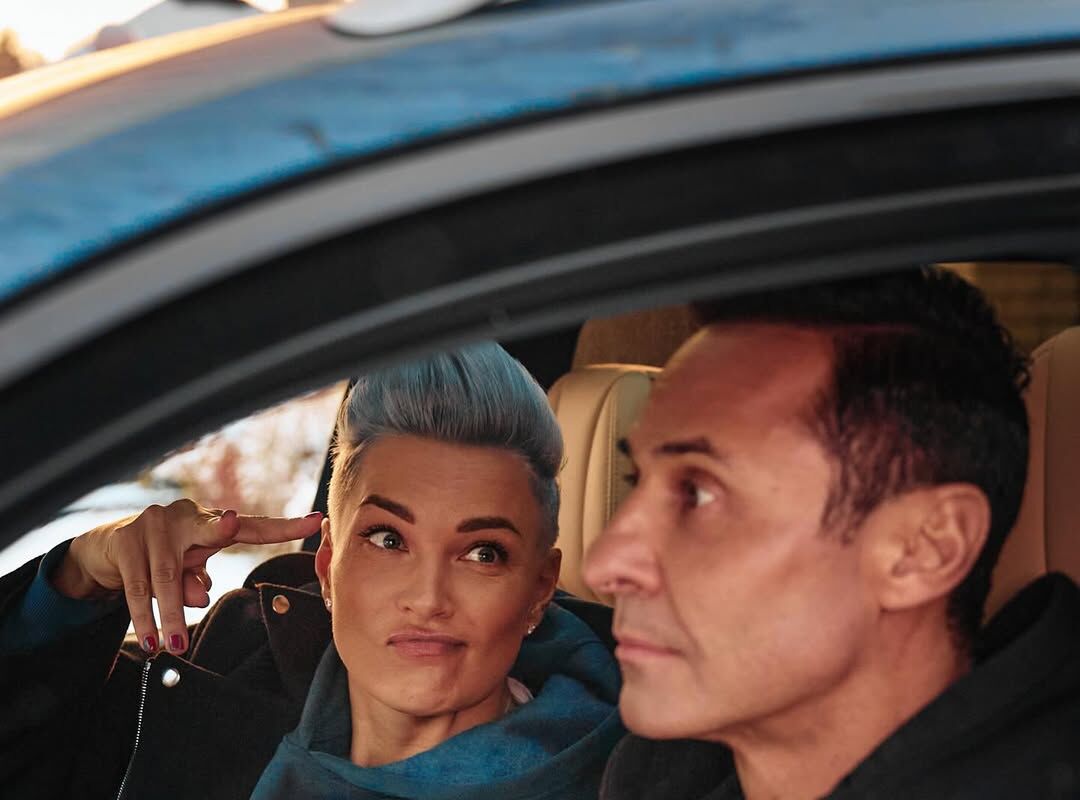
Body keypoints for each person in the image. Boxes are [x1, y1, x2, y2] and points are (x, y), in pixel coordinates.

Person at [0, 343, 624, 799]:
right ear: (327, 565)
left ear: (539, 589)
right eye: (388, 539)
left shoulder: (628, 777)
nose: (428, 598)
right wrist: (77, 579)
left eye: (483, 553)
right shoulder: (231, 663)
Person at [584, 267, 1080, 799]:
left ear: (925, 548)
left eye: (699, 494)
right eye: (635, 481)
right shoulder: (654, 774)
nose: (602, 565)